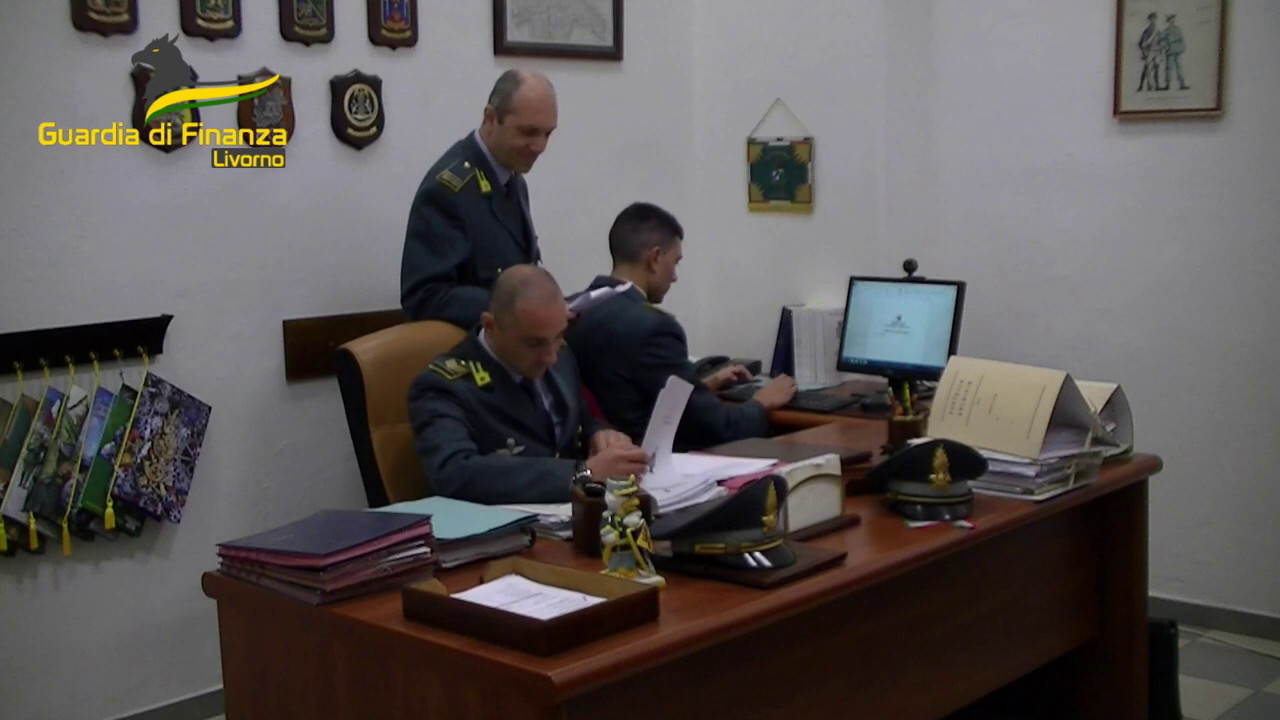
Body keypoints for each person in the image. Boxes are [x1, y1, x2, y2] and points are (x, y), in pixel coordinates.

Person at [564, 202, 797, 452]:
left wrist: (700, 385)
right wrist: (761, 402)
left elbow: (623, 392)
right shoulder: (655, 328)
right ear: (655, 259)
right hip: (648, 462)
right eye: (675, 263)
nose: (674, 276)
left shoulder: (570, 311)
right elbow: (717, 429)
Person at [408, 265, 648, 504]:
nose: (550, 357)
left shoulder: (560, 355)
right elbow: (454, 473)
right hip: (505, 523)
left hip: (572, 513)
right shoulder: (443, 386)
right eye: (534, 344)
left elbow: (579, 421)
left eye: (559, 336)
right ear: (490, 326)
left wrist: (600, 435)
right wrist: (583, 474)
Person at [400, 70, 557, 328]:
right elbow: (426, 296)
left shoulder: (512, 178)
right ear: (491, 118)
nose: (540, 147)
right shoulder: (449, 190)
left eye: (547, 134)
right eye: (528, 132)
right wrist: (513, 308)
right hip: (473, 345)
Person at [1162, 14, 1189, 91]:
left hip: (1177, 50)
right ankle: (1167, 85)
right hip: (1170, 50)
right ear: (1168, 21)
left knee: (1179, 66)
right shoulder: (1166, 30)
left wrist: (1183, 47)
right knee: (1169, 67)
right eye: (1170, 19)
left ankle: (1182, 84)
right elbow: (1161, 40)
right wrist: (1165, 46)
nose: (1172, 20)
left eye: (1173, 19)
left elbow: (1182, 39)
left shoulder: (1178, 29)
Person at [1137, 12, 1160, 92]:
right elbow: (1141, 43)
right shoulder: (1147, 31)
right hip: (1149, 52)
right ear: (1149, 20)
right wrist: (1144, 51)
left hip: (1156, 51)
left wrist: (1161, 47)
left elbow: (1161, 41)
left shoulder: (1158, 31)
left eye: (1155, 18)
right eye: (1152, 19)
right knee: (1146, 68)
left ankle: (1157, 86)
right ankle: (1141, 86)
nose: (1154, 20)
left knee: (1156, 68)